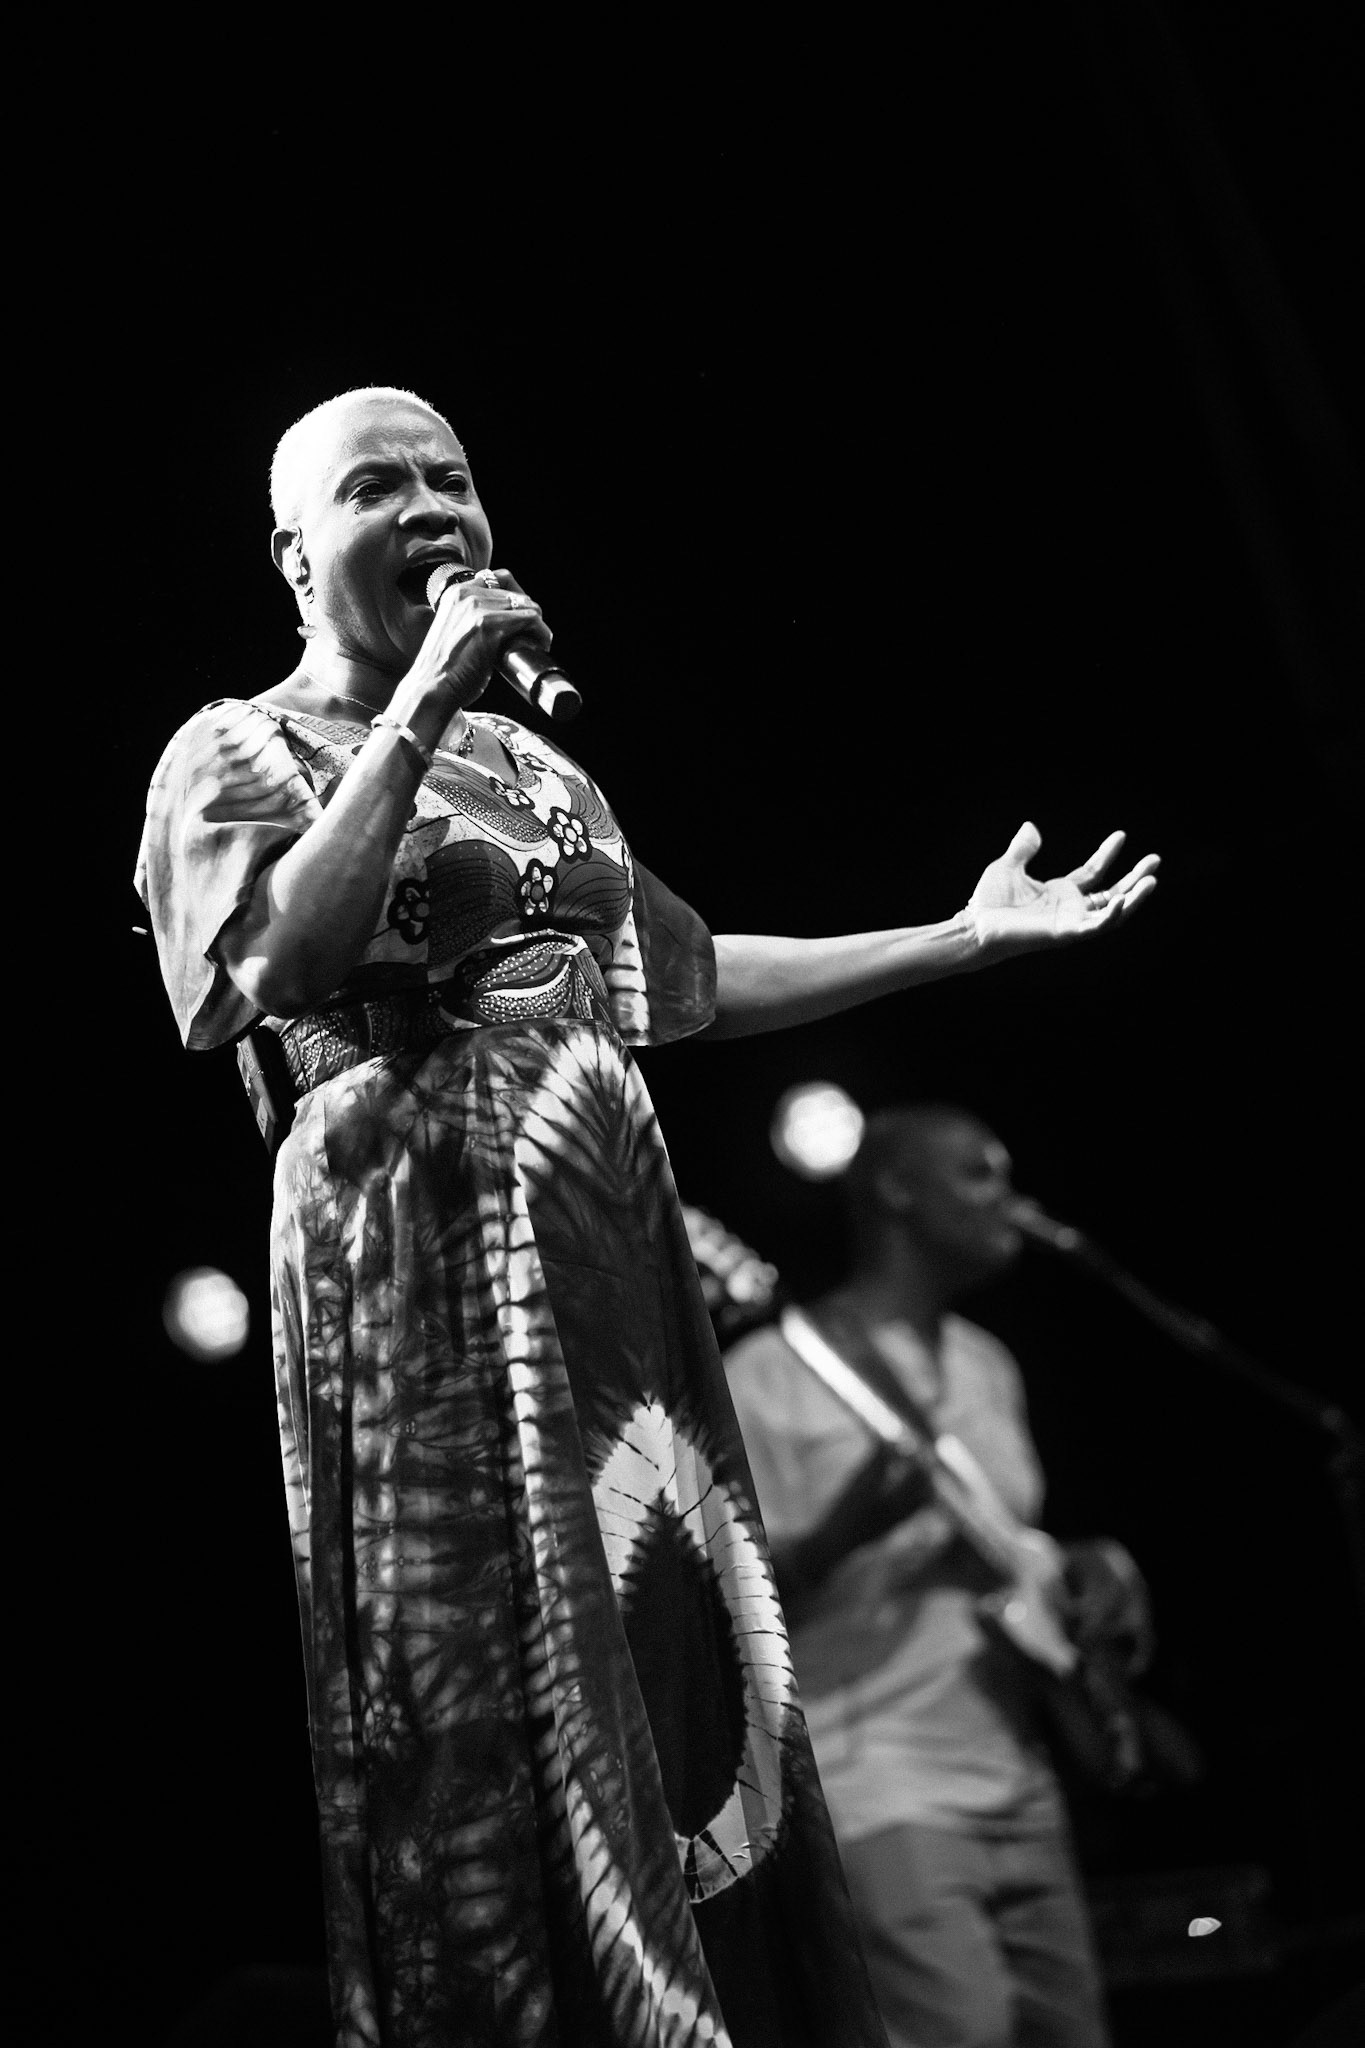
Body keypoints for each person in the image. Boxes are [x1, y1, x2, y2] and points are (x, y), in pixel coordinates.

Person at [134, 385, 1159, 2048]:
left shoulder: (544, 772)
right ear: (295, 555)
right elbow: (261, 965)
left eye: (452, 478)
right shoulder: (239, 750)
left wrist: (960, 940)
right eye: (377, 486)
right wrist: (423, 705)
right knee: (495, 1680)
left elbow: (683, 982)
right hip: (421, 1267)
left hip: (611, 1262)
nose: (430, 508)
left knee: (678, 1672)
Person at [724, 1106, 1153, 2048]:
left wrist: (1082, 1567)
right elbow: (720, 1616)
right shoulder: (767, 1374)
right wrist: (842, 1533)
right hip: (879, 1783)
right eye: (978, 1173)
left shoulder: (985, 1364)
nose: (1010, 1199)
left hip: (1020, 1778)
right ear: (896, 1189)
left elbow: (1010, 1548)